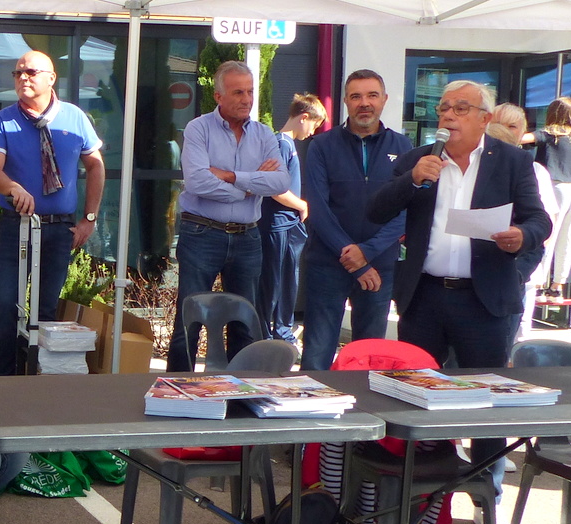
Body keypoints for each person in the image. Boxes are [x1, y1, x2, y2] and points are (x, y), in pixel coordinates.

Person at [367, 79, 551, 524]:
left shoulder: (511, 161)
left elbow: (538, 220)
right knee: (416, 398)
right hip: (425, 296)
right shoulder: (420, 159)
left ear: (484, 119)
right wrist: (412, 180)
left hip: (482, 300)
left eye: (460, 109)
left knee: (486, 405)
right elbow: (374, 210)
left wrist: (520, 237)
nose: (447, 116)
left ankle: (488, 499)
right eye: (444, 108)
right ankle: (417, 499)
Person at [0, 50, 104, 376]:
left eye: (31, 72)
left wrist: (89, 219)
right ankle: (5, 381)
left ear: (51, 78)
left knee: (45, 309)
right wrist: (13, 188)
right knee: (7, 305)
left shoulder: (74, 117)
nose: (23, 77)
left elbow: (95, 166)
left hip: (60, 229)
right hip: (17, 226)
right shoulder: (5, 119)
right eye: (18, 73)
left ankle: (38, 379)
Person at [166, 60, 288, 370]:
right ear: (219, 96)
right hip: (202, 234)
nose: (246, 99)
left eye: (249, 92)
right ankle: (178, 391)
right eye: (237, 92)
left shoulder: (263, 134)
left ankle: (239, 395)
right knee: (189, 318)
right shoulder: (199, 128)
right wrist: (251, 184)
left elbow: (280, 182)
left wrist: (233, 177)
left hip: (248, 236)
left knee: (245, 321)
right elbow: (197, 181)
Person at [299, 69, 415, 370]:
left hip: (380, 265)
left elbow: (407, 209)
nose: (365, 103)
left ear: (384, 100)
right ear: (346, 102)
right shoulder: (322, 146)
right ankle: (311, 415)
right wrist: (354, 258)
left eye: (372, 95)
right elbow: (318, 209)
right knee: (317, 353)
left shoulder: (403, 148)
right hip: (327, 264)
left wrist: (368, 254)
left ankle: (365, 414)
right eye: (356, 96)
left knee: (369, 357)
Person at [256, 93, 324, 343]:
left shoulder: (288, 145)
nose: (313, 132)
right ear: (303, 117)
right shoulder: (281, 144)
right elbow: (274, 188)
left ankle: (281, 331)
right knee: (275, 282)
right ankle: (272, 333)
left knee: (286, 280)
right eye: (314, 125)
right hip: (277, 224)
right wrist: (302, 205)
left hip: (286, 224)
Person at [488, 103, 558, 342]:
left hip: (517, 272)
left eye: (512, 126)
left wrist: (520, 272)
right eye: (498, 124)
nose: (505, 131)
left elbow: (543, 225)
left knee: (514, 340)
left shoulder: (535, 171)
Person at [528, 96, 571, 301]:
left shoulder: (549, 133)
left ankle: (539, 284)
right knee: (567, 238)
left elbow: (523, 138)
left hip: (554, 186)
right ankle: (557, 287)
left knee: (547, 235)